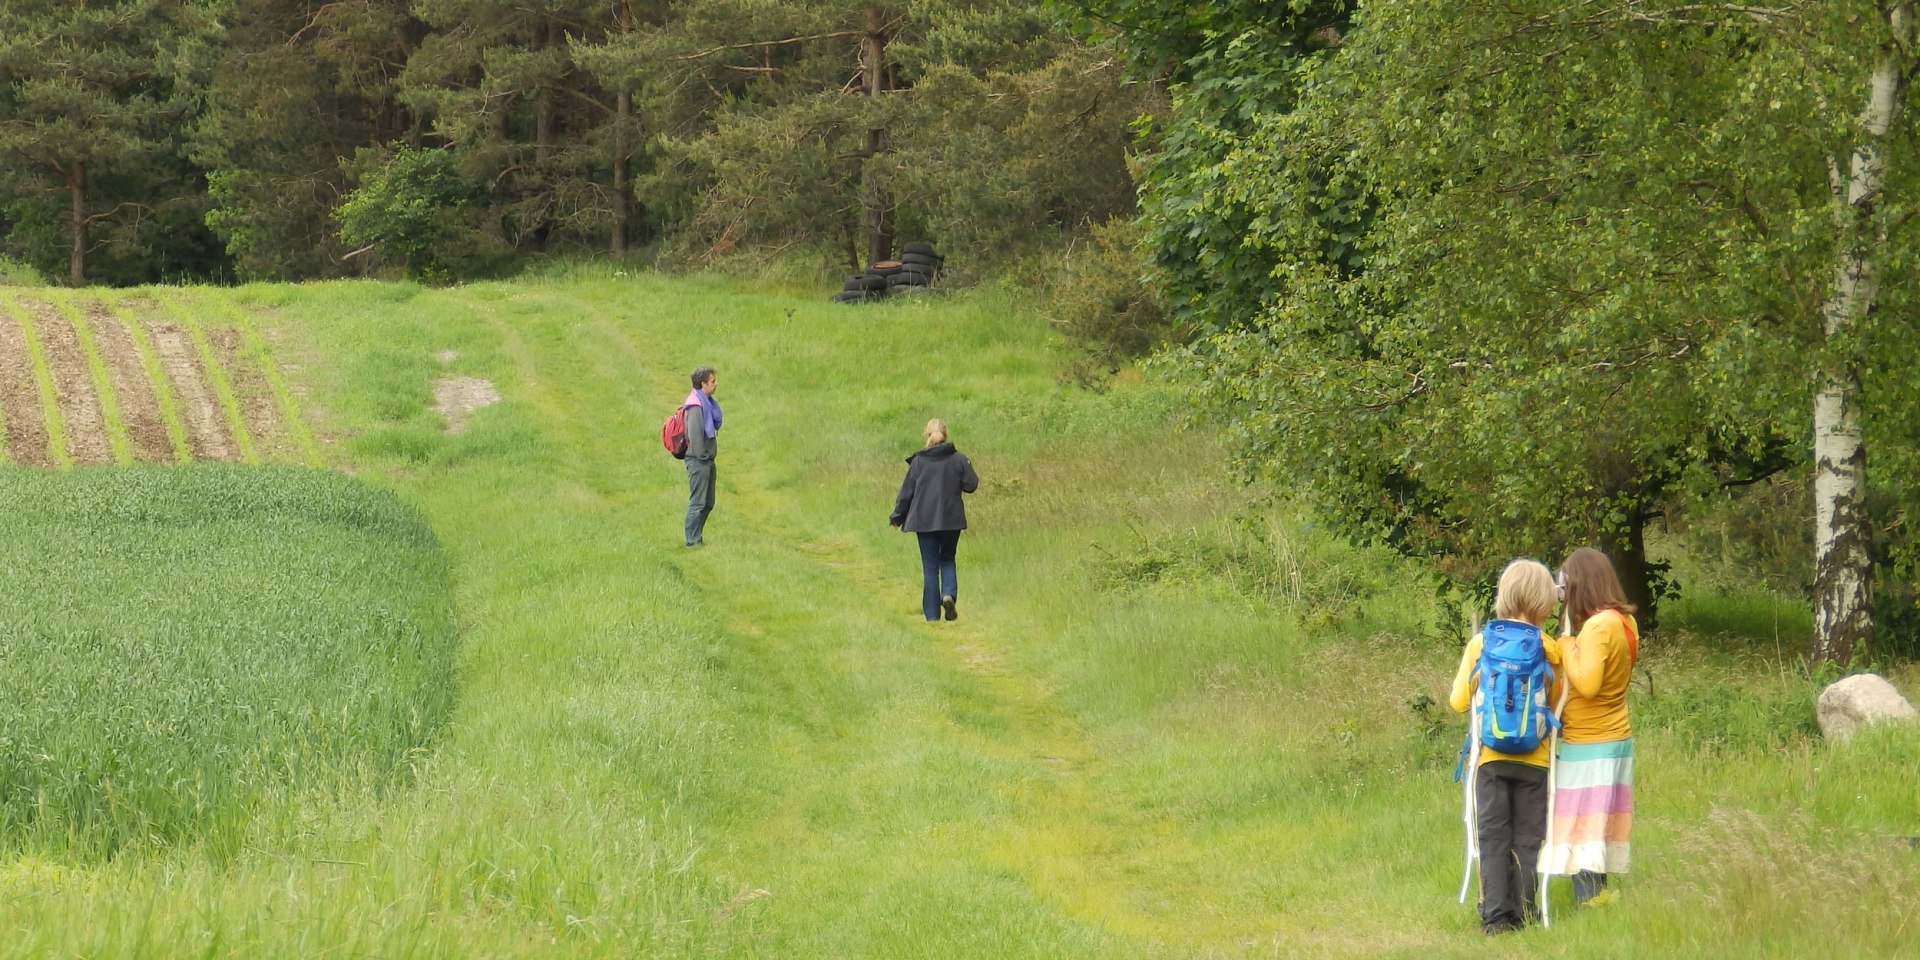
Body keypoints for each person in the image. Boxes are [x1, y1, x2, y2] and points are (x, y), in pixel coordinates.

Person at [1449, 559, 1563, 935]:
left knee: (1493, 836)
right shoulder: (1549, 648)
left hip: (1491, 758)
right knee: (1528, 838)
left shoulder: (1481, 644)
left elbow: (1457, 702)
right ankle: (1527, 914)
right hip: (1536, 760)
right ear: (1545, 601)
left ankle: (1497, 919)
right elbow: (1558, 699)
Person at [1542, 546, 1640, 906]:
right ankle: (1597, 901)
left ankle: (1589, 902)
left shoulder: (1598, 626)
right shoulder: (1625, 621)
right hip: (1615, 737)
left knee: (1584, 831)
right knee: (1598, 829)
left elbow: (1588, 683)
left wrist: (1566, 643)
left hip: (1590, 745)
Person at [889, 419, 978, 622]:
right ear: (945, 435)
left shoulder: (919, 462)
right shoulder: (958, 459)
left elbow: (906, 494)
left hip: (924, 520)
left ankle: (931, 618)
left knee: (930, 567)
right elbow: (971, 484)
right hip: (951, 519)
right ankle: (948, 594)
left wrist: (897, 517)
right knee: (947, 558)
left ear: (927, 435)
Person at [682, 366, 721, 547]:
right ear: (703, 384)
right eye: (712, 381)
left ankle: (697, 537)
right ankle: (692, 540)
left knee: (708, 502)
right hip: (699, 461)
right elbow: (695, 436)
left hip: (707, 459)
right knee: (698, 502)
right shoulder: (695, 406)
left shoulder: (707, 402)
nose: (716, 384)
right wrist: (704, 456)